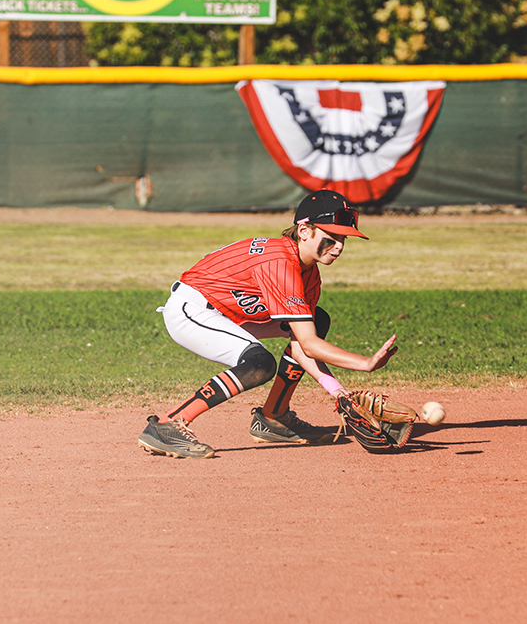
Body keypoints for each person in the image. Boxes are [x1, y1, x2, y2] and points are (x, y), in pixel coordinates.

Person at [138, 189, 398, 459]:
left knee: (317, 319)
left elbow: (302, 346)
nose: (340, 246)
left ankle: (274, 417)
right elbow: (309, 344)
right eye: (331, 238)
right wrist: (364, 363)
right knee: (259, 363)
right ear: (305, 230)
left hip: (229, 314)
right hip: (191, 309)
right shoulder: (279, 261)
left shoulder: (308, 275)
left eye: (343, 238)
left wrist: (338, 391)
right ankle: (169, 424)